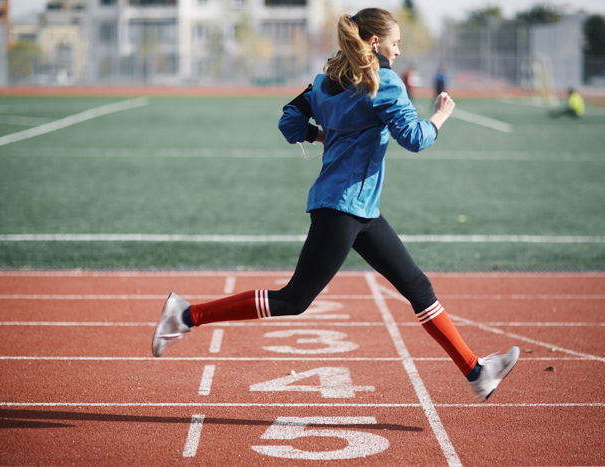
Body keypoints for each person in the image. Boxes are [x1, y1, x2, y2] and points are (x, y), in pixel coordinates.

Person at [151, 8, 519, 402]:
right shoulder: (385, 83)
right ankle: (186, 316)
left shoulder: (325, 82)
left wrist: (319, 136)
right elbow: (415, 139)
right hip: (343, 208)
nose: (398, 51)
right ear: (375, 43)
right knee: (293, 300)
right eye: (395, 43)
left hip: (359, 210)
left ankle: (476, 372)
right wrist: (442, 116)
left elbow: (288, 123)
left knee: (417, 286)